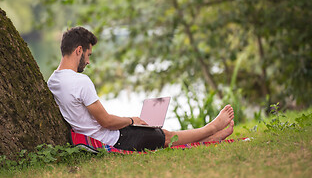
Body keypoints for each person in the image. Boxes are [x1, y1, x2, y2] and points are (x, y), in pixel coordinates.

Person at [47, 27, 235, 151]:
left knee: (154, 131)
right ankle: (212, 128)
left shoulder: (52, 81)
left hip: (106, 134)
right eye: (88, 55)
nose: (88, 61)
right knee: (165, 136)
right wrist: (131, 120)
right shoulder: (81, 81)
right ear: (78, 50)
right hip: (114, 139)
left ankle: (213, 137)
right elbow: (106, 121)